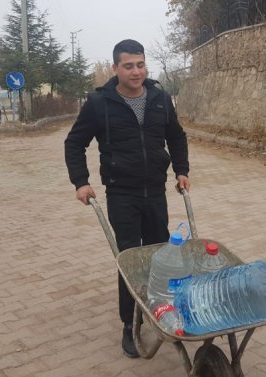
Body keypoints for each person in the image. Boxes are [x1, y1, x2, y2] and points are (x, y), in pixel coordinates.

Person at [64, 39, 190, 358]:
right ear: (116, 68)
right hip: (122, 193)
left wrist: (182, 170)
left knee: (158, 257)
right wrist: (81, 182)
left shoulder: (160, 97)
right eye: (129, 65)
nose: (136, 71)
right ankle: (129, 324)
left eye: (140, 64)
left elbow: (176, 136)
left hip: (155, 191)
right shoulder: (99, 103)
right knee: (131, 259)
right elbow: (74, 142)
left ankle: (160, 312)